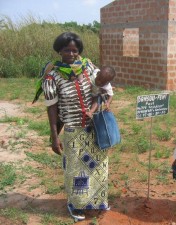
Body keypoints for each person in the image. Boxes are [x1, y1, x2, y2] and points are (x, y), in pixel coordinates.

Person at [42, 32, 110, 221]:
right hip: (72, 130)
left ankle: (97, 201)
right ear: (59, 51)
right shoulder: (52, 76)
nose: (71, 53)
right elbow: (52, 109)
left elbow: (99, 90)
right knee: (76, 170)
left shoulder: (88, 67)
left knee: (98, 166)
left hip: (94, 127)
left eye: (74, 50)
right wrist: (54, 136)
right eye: (66, 50)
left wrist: (94, 108)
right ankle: (76, 205)